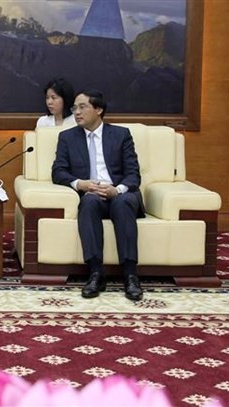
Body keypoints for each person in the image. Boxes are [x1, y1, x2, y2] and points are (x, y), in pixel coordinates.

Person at [51, 89, 144, 301]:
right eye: (74, 108)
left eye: (82, 107)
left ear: (99, 110)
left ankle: (130, 275)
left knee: (122, 202)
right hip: (91, 193)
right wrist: (81, 184)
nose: (77, 112)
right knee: (89, 202)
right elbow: (58, 172)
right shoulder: (67, 137)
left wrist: (116, 190)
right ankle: (95, 273)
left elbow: (133, 174)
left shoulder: (121, 135)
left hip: (119, 192)